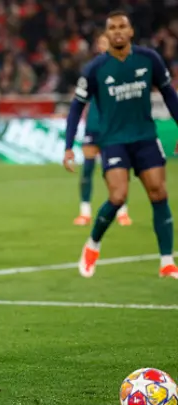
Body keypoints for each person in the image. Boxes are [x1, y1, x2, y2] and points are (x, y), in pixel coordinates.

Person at [64, 11, 178, 279]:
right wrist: (68, 145)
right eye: (111, 28)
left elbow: (169, 95)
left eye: (121, 27)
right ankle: (92, 245)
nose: (117, 31)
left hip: (145, 138)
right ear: (106, 35)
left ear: (130, 32)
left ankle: (166, 261)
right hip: (114, 141)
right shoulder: (95, 69)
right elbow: (75, 107)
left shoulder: (149, 59)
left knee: (159, 193)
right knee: (117, 196)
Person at [73, 33, 132, 227]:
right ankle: (85, 211)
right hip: (93, 126)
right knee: (87, 169)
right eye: (100, 43)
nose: (102, 46)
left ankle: (122, 211)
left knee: (116, 171)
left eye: (104, 42)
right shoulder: (91, 70)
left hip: (114, 128)